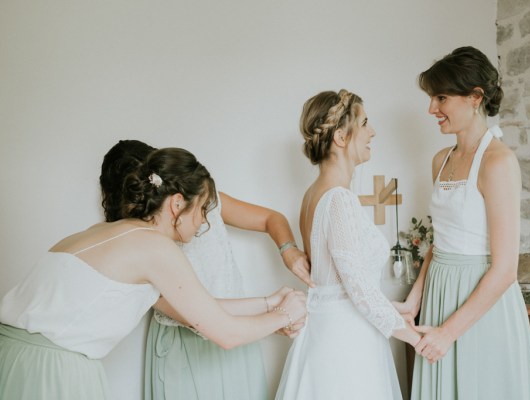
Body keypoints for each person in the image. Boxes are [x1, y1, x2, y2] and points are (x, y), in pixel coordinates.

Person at [0, 147, 307, 400]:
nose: (204, 222)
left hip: (12, 357)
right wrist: (285, 314)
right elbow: (225, 334)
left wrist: (270, 302)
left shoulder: (109, 232)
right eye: (202, 209)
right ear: (177, 204)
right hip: (53, 370)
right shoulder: (156, 249)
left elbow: (199, 309)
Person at [99, 140, 313, 400]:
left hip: (238, 331)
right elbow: (201, 318)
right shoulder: (139, 245)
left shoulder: (202, 198)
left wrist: (288, 250)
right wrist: (276, 314)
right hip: (186, 348)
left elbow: (272, 219)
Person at [396, 46, 530, 399]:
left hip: (480, 302)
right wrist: (415, 300)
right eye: (432, 98)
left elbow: (506, 269)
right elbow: (440, 240)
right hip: (441, 294)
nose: (432, 109)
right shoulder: (440, 161)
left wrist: (448, 332)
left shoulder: (498, 162)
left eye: (441, 97)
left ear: (475, 97)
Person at [275, 89, 421, 400]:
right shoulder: (338, 199)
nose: (372, 131)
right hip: (346, 343)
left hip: (330, 330)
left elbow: (335, 284)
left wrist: (392, 310)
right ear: (341, 137)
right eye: (365, 122)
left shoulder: (313, 194)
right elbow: (357, 289)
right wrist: (415, 338)